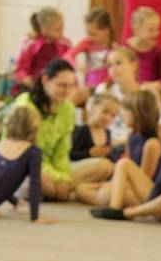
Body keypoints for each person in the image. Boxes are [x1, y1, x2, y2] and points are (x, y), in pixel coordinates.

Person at [11, 58, 113, 200]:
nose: (67, 91)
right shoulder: (25, 105)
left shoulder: (67, 109)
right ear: (46, 80)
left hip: (53, 168)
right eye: (61, 85)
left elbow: (62, 153)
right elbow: (24, 155)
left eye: (70, 86)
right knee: (42, 179)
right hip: (27, 167)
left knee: (104, 166)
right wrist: (57, 178)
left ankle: (56, 191)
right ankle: (54, 190)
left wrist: (63, 177)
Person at [77, 91, 161, 207]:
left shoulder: (152, 144)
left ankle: (113, 204)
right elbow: (123, 168)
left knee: (105, 194)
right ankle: (108, 199)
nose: (122, 115)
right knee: (81, 189)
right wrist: (111, 184)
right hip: (126, 184)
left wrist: (113, 187)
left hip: (143, 192)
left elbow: (144, 179)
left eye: (126, 111)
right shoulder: (132, 136)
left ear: (138, 114)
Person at [0, 106, 52, 223]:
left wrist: (14, 201)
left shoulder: (0, 145)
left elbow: (1, 178)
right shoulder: (33, 151)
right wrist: (35, 217)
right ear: (34, 127)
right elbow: (34, 184)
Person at [13, 7, 70, 91]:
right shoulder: (30, 44)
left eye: (62, 28)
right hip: (34, 85)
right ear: (43, 30)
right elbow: (21, 69)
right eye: (57, 30)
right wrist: (25, 78)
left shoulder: (64, 44)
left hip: (55, 86)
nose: (61, 32)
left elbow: (68, 66)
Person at [65, 7, 114, 103]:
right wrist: (77, 66)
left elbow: (113, 73)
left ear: (107, 30)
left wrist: (104, 84)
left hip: (107, 87)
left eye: (94, 34)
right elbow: (68, 56)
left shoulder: (114, 48)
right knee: (74, 95)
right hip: (89, 87)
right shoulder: (87, 43)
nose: (90, 37)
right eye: (88, 33)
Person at [126, 7, 161, 85]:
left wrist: (156, 84)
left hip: (149, 91)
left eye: (157, 29)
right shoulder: (125, 49)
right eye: (151, 30)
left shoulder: (158, 52)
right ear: (137, 28)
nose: (156, 33)